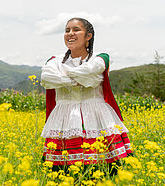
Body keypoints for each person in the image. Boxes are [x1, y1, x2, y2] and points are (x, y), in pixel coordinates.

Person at [40, 17, 133, 177]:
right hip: (64, 118)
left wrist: (62, 76)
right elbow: (46, 79)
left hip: (96, 117)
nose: (70, 34)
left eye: (76, 30)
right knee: (62, 175)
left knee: (105, 173)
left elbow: (91, 72)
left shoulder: (101, 58)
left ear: (88, 36)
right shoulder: (53, 60)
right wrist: (77, 81)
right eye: (67, 30)